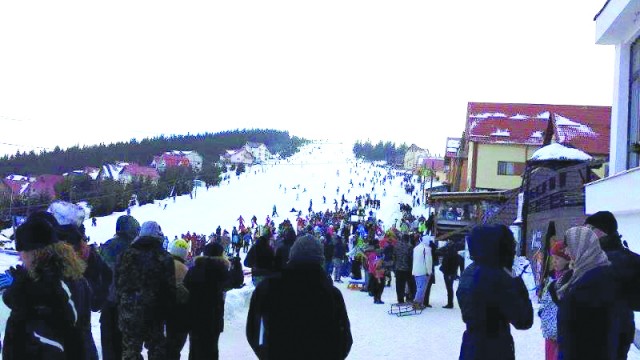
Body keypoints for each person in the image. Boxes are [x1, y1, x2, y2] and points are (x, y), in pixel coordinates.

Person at [246, 234, 352, 359]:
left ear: (291, 256)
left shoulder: (268, 288)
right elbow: (344, 339)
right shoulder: (332, 294)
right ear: (320, 260)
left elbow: (253, 330)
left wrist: (268, 355)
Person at [3, 211, 90, 359]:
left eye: (21, 251)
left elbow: (66, 330)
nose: (19, 257)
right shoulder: (63, 276)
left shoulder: (51, 284)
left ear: (34, 252)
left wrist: (22, 289)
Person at [456, 224, 533, 360]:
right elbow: (524, 320)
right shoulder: (497, 276)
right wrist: (515, 279)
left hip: (470, 347)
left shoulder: (470, 271)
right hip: (495, 350)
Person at [551, 226, 617, 360]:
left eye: (569, 247)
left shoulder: (590, 281)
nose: (567, 251)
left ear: (581, 247)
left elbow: (577, 329)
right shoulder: (582, 274)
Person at [115, 221, 176, 360]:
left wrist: (123, 303)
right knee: (156, 349)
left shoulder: (125, 255)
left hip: (129, 310)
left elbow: (117, 283)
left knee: (130, 350)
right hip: (155, 311)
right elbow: (170, 289)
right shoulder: (164, 257)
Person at [585, 211, 640, 359]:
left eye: (590, 230)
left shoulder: (610, 261)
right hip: (615, 330)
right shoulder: (622, 257)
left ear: (602, 231)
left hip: (607, 333)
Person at [97, 215, 140, 360]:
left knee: (109, 349)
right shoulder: (135, 250)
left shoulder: (106, 247)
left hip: (109, 306)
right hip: (129, 307)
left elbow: (99, 276)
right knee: (128, 350)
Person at [184, 242, 229, 359]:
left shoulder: (194, 270)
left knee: (194, 349)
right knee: (211, 349)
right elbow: (235, 281)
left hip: (194, 316)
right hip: (214, 317)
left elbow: (186, 287)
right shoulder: (222, 271)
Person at [538, 240, 571, 360]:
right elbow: (545, 299)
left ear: (568, 259)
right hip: (550, 333)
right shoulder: (552, 277)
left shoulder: (569, 279)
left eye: (557, 258)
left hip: (560, 333)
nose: (554, 262)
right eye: (553, 258)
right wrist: (542, 311)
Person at [166, 239, 190, 360]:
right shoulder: (185, 270)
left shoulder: (163, 264)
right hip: (179, 314)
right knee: (175, 347)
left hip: (163, 311)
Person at [434, 239, 459, 309]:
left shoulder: (451, 254)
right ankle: (450, 303)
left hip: (449, 273)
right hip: (449, 273)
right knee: (449, 288)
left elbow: (452, 265)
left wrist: (450, 274)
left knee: (449, 288)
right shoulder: (453, 253)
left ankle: (450, 303)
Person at [411, 234, 433, 310]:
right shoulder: (427, 249)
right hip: (423, 271)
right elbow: (428, 261)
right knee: (421, 288)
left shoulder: (416, 248)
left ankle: (419, 303)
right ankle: (416, 303)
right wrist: (429, 271)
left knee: (418, 287)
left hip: (415, 271)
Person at [393, 233, 414, 304]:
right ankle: (409, 298)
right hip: (407, 268)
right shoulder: (410, 246)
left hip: (398, 268)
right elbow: (411, 258)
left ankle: (400, 299)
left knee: (399, 285)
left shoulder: (396, 246)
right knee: (409, 284)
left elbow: (394, 257)